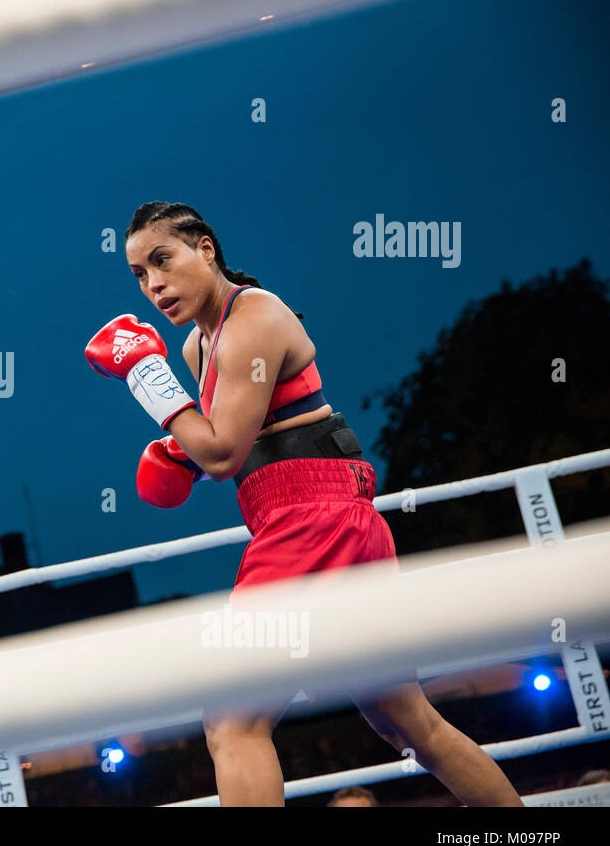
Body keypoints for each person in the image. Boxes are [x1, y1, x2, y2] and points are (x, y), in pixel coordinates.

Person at [85, 202, 522, 807]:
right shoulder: (198, 350)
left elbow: (220, 454)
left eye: (163, 259)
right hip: (325, 517)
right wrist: (175, 451)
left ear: (205, 250)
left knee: (233, 720)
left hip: (311, 520)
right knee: (406, 721)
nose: (153, 283)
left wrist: (145, 378)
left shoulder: (256, 316)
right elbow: (226, 446)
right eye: (138, 273)